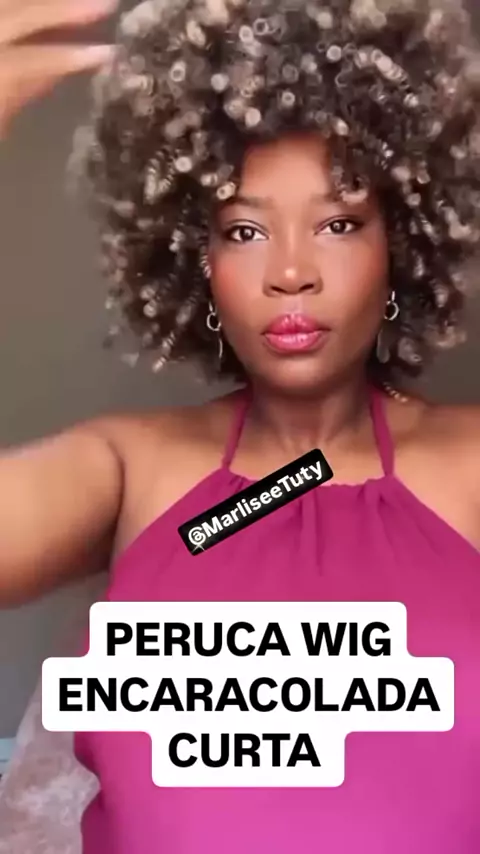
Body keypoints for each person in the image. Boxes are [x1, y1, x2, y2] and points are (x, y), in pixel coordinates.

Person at [1, 0, 479, 851]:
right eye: (245, 229)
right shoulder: (128, 470)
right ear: (198, 265)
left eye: (339, 223)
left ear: (400, 248)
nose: (291, 271)